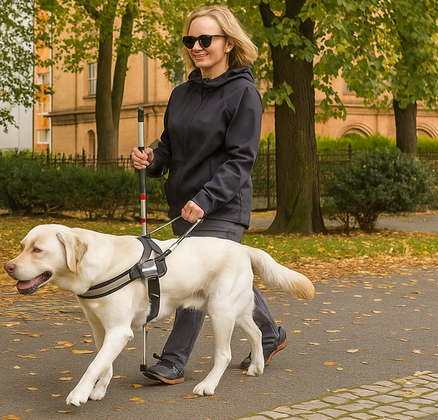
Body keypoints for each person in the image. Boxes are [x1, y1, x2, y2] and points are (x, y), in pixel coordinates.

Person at [131, 5, 286, 385]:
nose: (196, 47)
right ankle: (269, 333)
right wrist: (151, 158)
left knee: (198, 279)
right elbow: (169, 148)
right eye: (190, 40)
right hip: (183, 206)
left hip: (222, 205)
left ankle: (173, 359)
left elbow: (240, 159)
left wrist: (206, 198)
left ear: (228, 43)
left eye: (205, 39)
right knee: (227, 279)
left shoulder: (244, 94)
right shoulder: (181, 93)